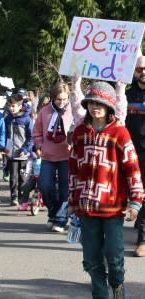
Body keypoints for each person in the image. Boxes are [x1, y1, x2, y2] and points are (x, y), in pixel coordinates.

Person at [68, 81, 144, 299]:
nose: (95, 107)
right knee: (91, 260)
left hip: (113, 208)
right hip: (86, 207)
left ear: (109, 105)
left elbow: (132, 168)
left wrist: (136, 201)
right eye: (91, 102)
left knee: (114, 258)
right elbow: (73, 168)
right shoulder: (80, 131)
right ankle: (100, 295)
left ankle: (118, 288)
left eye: (99, 102)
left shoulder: (120, 133)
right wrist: (72, 200)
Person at [32, 77, 85, 233]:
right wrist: (40, 145)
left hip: (67, 156)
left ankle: (60, 218)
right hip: (48, 156)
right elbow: (36, 133)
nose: (61, 102)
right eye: (58, 99)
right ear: (53, 98)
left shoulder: (73, 111)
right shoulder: (44, 111)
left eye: (64, 99)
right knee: (44, 185)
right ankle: (54, 211)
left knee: (64, 189)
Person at [125, 55, 145, 257]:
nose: (143, 72)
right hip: (128, 151)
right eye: (140, 69)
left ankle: (142, 240)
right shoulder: (126, 94)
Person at [4, 94, 33, 206]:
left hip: (23, 153)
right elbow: (5, 134)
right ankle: (14, 197)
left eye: (13, 106)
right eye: (9, 106)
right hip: (11, 153)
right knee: (13, 176)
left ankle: (22, 196)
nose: (11, 108)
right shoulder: (8, 118)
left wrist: (25, 149)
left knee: (23, 176)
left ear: (20, 106)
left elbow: (31, 137)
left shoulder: (27, 119)